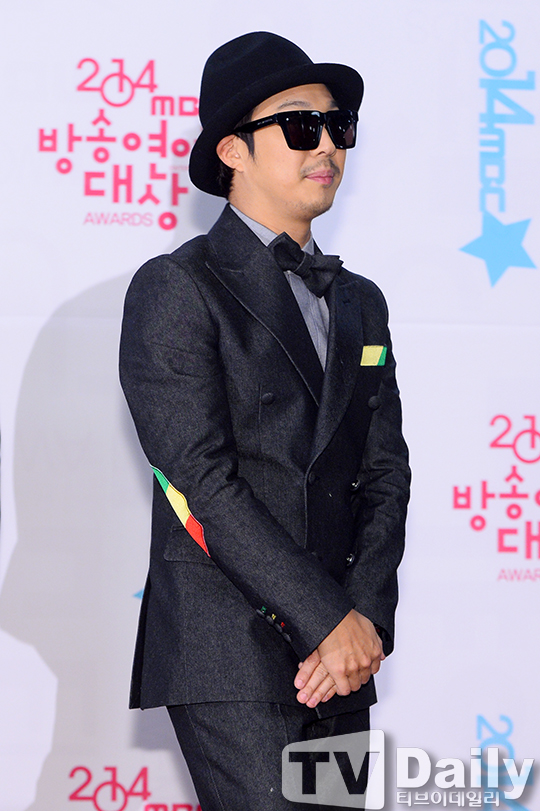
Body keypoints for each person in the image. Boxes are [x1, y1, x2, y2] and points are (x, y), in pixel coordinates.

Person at [120, 31, 411, 811]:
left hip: (342, 658)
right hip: (231, 649)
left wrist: (364, 620)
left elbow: (386, 473)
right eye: (300, 125)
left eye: (338, 125)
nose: (329, 145)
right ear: (232, 151)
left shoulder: (362, 301)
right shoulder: (177, 287)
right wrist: (325, 619)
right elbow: (200, 479)